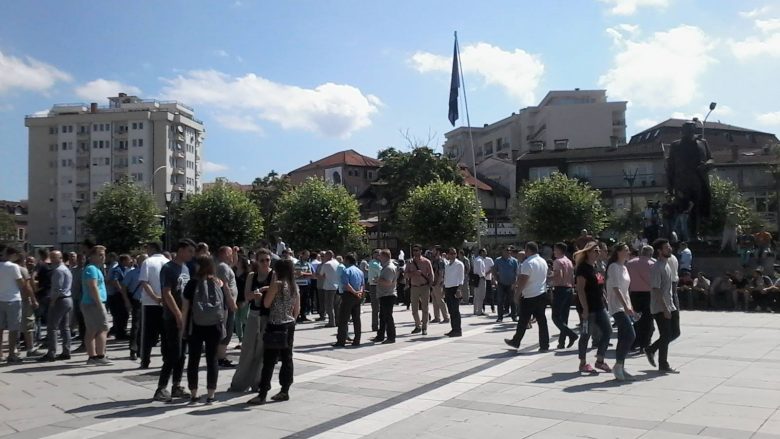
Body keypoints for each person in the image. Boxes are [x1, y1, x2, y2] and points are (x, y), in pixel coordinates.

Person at [248, 259, 300, 405]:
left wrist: (268, 290)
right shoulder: (293, 286)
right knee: (287, 358)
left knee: (269, 361)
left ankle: (262, 393)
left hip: (275, 325)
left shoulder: (277, 284)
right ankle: (285, 390)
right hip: (289, 324)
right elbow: (297, 309)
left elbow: (266, 303)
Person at [182, 255, 229, 404]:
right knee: (212, 359)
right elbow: (224, 305)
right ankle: (210, 394)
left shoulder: (191, 284)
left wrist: (183, 328)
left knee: (193, 359)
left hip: (195, 325)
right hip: (215, 325)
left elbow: (185, 308)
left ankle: (194, 394)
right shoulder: (218, 282)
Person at [154, 239, 196, 402]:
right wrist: (178, 314)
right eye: (190, 251)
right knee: (173, 353)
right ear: (181, 249)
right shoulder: (168, 268)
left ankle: (176, 385)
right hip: (173, 317)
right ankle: (161, 387)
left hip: (186, 317)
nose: (192, 255)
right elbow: (167, 293)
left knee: (182, 354)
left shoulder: (185, 268)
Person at [230, 250, 272, 392]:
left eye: (267, 260)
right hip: (253, 315)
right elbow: (247, 296)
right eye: (262, 260)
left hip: (268, 316)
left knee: (262, 351)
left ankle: (259, 382)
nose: (265, 263)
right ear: (257, 262)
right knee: (248, 350)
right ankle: (240, 383)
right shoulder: (252, 276)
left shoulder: (274, 275)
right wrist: (256, 293)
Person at [573, 241, 612, 374]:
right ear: (588, 252)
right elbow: (580, 290)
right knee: (586, 334)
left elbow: (600, 285)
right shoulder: (582, 268)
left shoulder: (595, 266)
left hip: (599, 305)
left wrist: (605, 297)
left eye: (599, 251)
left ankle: (600, 360)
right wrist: (584, 309)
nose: (598, 253)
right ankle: (582, 363)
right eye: (595, 251)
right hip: (588, 307)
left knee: (608, 330)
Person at [504, 242, 550, 352]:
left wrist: (517, 294)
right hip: (542, 293)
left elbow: (523, 280)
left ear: (528, 250)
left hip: (530, 296)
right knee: (542, 320)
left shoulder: (528, 263)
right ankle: (544, 344)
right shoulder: (543, 261)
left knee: (523, 320)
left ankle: (516, 341)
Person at [645, 238, 680, 373]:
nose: (670, 248)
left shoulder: (667, 265)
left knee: (675, 332)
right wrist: (665, 308)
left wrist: (671, 306)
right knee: (666, 334)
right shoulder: (656, 267)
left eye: (669, 246)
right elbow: (656, 289)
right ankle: (663, 364)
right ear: (659, 251)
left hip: (670, 304)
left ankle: (651, 349)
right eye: (666, 247)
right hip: (660, 307)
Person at [606, 243, 636, 381]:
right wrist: (625, 306)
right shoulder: (613, 267)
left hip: (624, 306)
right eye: (625, 250)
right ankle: (618, 365)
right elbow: (616, 288)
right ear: (618, 252)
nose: (628, 252)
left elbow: (625, 290)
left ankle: (620, 366)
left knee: (624, 336)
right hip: (616, 307)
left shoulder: (624, 267)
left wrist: (630, 306)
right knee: (630, 335)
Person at [138, 242, 170, 369]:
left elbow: (145, 283)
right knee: (165, 333)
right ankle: (166, 359)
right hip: (167, 303)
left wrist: (155, 297)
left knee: (147, 334)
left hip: (150, 303)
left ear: (152, 248)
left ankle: (145, 360)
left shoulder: (148, 262)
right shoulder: (168, 262)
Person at [38, 251, 73, 362]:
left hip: (59, 300)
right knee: (65, 327)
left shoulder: (58, 271)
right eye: (51, 257)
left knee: (52, 327)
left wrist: (52, 301)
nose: (52, 259)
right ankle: (66, 351)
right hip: (67, 299)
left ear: (61, 258)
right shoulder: (66, 269)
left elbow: (57, 288)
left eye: (55, 257)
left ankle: (51, 353)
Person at [81, 245, 112, 365]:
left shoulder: (96, 269)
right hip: (93, 303)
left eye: (103, 254)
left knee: (93, 330)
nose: (103, 257)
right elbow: (92, 286)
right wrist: (99, 304)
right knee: (102, 328)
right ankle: (99, 356)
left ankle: (93, 356)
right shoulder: (92, 269)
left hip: (92, 303)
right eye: (100, 254)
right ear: (91, 256)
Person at [0, 247, 29, 363]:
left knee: (0, 328)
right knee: (13, 328)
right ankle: (11, 354)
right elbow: (21, 283)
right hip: (13, 299)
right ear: (13, 255)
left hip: (0, 299)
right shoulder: (14, 267)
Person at [626, 245, 655, 352]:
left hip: (634, 294)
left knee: (635, 320)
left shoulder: (630, 263)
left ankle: (634, 342)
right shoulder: (652, 264)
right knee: (647, 320)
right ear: (651, 253)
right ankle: (645, 344)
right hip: (648, 294)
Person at [550, 243, 577, 348]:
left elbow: (559, 275)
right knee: (564, 317)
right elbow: (572, 277)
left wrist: (549, 277)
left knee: (555, 317)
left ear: (560, 250)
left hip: (560, 289)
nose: (554, 252)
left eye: (555, 250)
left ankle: (571, 334)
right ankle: (561, 342)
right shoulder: (569, 261)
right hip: (569, 289)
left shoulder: (557, 261)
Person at [334, 254, 364, 347]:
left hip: (348, 295)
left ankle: (341, 340)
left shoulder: (346, 271)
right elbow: (363, 284)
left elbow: (346, 285)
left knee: (343, 319)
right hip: (358, 295)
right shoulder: (360, 271)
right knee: (356, 319)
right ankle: (357, 340)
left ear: (347, 260)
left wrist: (354, 292)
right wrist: (359, 292)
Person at [216, 246, 238, 368]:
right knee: (226, 331)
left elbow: (234, 262)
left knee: (228, 331)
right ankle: (220, 357)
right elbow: (224, 286)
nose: (231, 256)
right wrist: (231, 301)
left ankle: (220, 356)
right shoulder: (222, 267)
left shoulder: (226, 266)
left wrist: (235, 253)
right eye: (230, 253)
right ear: (224, 254)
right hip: (226, 304)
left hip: (228, 304)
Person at [123, 254, 147, 361]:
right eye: (142, 260)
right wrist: (127, 301)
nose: (144, 262)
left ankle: (142, 349)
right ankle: (133, 349)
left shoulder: (150, 272)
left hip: (149, 303)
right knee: (136, 326)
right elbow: (123, 287)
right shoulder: (132, 273)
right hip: (137, 301)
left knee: (145, 327)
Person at [406, 244, 432, 335]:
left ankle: (424, 327)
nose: (415, 252)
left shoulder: (426, 262)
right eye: (414, 250)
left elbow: (431, 274)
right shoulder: (409, 262)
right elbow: (405, 275)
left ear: (421, 251)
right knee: (414, 309)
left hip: (424, 287)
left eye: (417, 250)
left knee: (425, 308)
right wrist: (413, 273)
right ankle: (417, 325)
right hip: (414, 287)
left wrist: (430, 285)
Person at [372, 249, 397, 344]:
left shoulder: (389, 268)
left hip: (388, 295)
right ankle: (380, 336)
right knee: (382, 317)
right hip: (384, 295)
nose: (379, 258)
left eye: (380, 256)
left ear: (385, 257)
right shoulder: (385, 267)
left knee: (388, 317)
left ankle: (391, 337)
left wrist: (378, 280)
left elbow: (388, 282)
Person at [107, 254, 131, 340]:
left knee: (124, 314)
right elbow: (114, 280)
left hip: (122, 294)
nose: (130, 261)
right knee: (121, 314)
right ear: (123, 261)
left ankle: (120, 331)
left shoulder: (125, 269)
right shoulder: (117, 269)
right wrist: (121, 289)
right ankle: (120, 333)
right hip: (118, 295)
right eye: (128, 260)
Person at [493, 246, 519, 323]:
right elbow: (494, 270)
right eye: (507, 250)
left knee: (512, 301)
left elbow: (516, 272)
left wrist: (515, 283)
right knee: (500, 300)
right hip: (501, 283)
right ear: (503, 251)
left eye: (509, 250)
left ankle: (514, 316)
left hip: (511, 283)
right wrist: (496, 279)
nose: (508, 252)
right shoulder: (498, 260)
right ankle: (500, 317)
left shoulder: (514, 261)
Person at [443, 248, 464, 337]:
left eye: (454, 253)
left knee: (455, 310)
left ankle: (458, 330)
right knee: (451, 310)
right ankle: (453, 329)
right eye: (451, 253)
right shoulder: (447, 265)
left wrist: (459, 289)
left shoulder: (459, 264)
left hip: (455, 288)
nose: (452, 255)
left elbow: (461, 278)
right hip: (448, 288)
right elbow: (446, 277)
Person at [317, 251, 340, 328]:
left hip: (329, 287)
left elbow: (321, 275)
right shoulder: (337, 263)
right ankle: (337, 321)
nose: (323, 257)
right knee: (336, 305)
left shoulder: (326, 264)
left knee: (329, 305)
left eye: (324, 256)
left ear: (328, 256)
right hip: (337, 287)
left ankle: (331, 321)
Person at [430, 247, 450, 324]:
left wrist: (438, 283)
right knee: (435, 301)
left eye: (434, 250)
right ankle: (437, 317)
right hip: (434, 283)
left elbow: (441, 273)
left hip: (438, 283)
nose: (432, 251)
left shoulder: (440, 261)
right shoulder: (434, 260)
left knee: (440, 300)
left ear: (438, 252)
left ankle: (446, 317)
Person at [294, 250, 314, 323]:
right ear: (302, 255)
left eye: (308, 255)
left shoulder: (308, 264)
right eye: (306, 255)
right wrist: (301, 274)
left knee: (305, 301)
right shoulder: (297, 264)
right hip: (298, 285)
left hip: (306, 284)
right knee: (298, 301)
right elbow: (295, 274)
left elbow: (310, 274)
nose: (307, 257)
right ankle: (297, 316)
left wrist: (303, 273)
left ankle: (303, 315)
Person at [471, 249, 487, 316]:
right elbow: (480, 271)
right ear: (482, 252)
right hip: (480, 278)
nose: (486, 253)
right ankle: (479, 311)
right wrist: (483, 278)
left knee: (476, 295)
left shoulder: (476, 259)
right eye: (485, 252)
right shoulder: (480, 260)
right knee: (481, 295)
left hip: (476, 278)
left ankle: (475, 310)